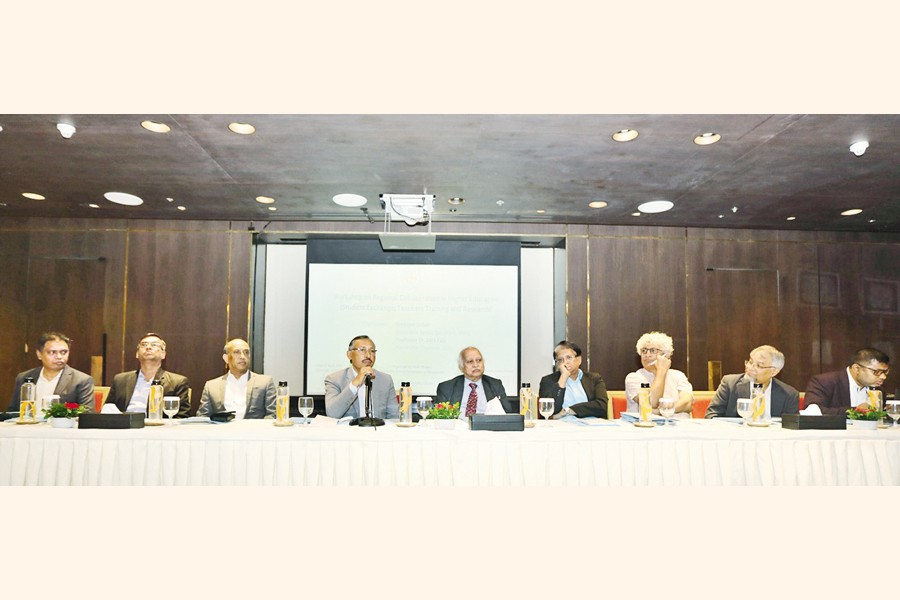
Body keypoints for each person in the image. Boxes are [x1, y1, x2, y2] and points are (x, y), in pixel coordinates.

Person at [107, 332, 190, 417]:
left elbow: (182, 416)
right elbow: (107, 409)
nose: (148, 347)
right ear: (137, 354)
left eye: (154, 345)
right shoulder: (120, 380)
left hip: (157, 425)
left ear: (163, 354)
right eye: (144, 345)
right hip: (124, 423)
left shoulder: (177, 382)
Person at [8, 332, 94, 412]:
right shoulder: (24, 377)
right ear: (39, 354)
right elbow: (13, 411)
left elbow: (87, 413)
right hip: (28, 423)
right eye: (52, 352)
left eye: (63, 352)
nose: (59, 357)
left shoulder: (81, 380)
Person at [705, 345, 799, 418]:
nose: (750, 368)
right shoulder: (730, 384)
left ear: (774, 371)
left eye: (759, 366)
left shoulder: (789, 395)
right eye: (750, 362)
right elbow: (711, 416)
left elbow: (792, 427)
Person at [197, 338, 277, 419]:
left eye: (246, 352)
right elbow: (202, 417)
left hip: (255, 427)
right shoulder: (211, 386)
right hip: (222, 427)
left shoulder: (265, 383)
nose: (242, 356)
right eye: (237, 352)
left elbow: (273, 415)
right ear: (226, 358)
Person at [325, 335, 398, 420]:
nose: (368, 355)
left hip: (378, 428)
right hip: (348, 428)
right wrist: (355, 383)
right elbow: (332, 414)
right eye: (362, 350)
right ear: (349, 354)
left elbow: (394, 417)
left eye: (372, 351)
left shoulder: (385, 380)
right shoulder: (334, 379)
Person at [624, 331, 694, 418]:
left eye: (653, 351)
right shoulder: (634, 377)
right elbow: (652, 402)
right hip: (646, 426)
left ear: (665, 354)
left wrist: (659, 412)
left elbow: (687, 404)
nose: (647, 355)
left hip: (680, 425)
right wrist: (661, 370)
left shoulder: (678, 375)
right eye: (644, 351)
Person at [803, 348, 890, 416]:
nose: (883, 377)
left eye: (885, 372)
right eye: (877, 372)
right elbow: (812, 412)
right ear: (857, 369)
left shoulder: (878, 390)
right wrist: (856, 411)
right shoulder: (824, 382)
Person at [538, 340, 609, 418]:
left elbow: (602, 406)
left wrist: (569, 410)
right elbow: (550, 410)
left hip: (591, 423)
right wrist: (563, 377)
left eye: (569, 357)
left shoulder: (594, 379)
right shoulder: (548, 381)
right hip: (562, 424)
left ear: (579, 360)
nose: (565, 362)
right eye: (560, 360)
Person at [435, 347, 513, 416]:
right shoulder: (447, 387)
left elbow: (507, 413)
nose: (475, 365)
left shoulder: (495, 385)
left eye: (479, 360)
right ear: (461, 367)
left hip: (487, 427)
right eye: (470, 361)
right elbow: (440, 416)